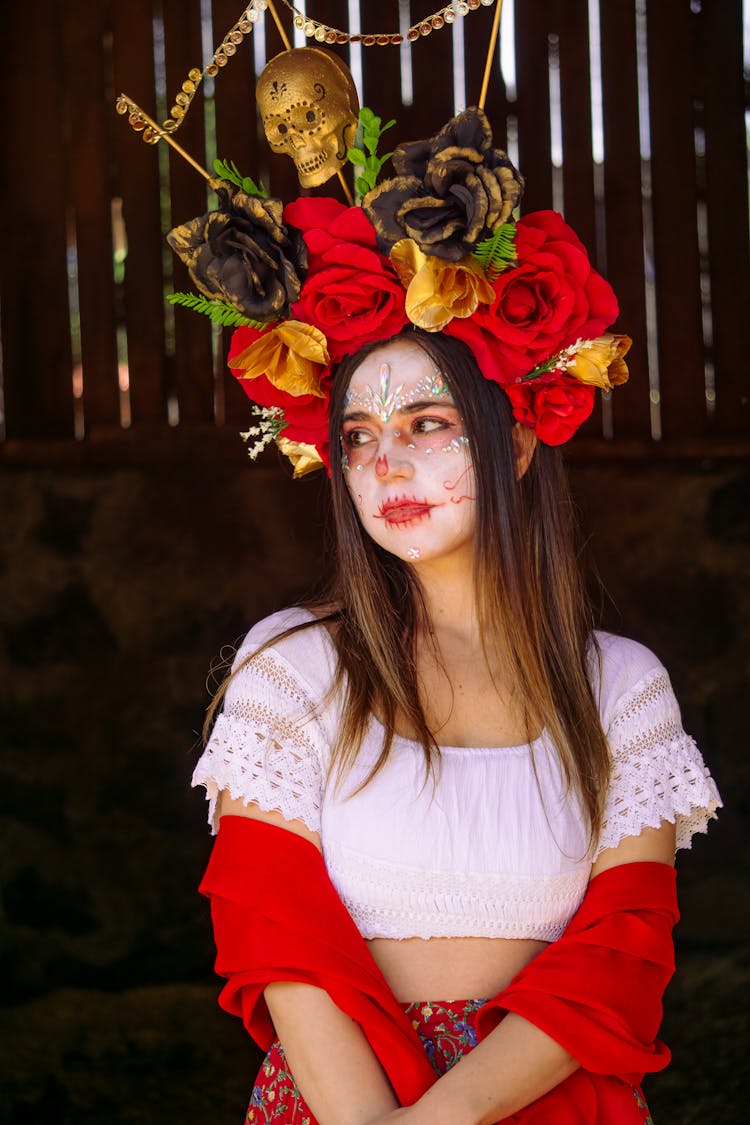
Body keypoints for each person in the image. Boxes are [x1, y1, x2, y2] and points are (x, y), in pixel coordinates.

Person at [166, 97, 721, 1122]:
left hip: (550, 1099)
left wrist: (451, 1118)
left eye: (428, 423)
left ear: (512, 443)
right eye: (362, 438)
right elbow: (275, 934)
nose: (388, 464)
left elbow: (622, 950)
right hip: (339, 1103)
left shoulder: (620, 686)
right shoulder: (292, 666)